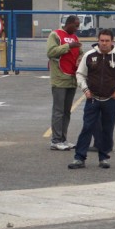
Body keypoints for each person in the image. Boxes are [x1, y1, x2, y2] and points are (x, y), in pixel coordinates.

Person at [67, 29, 115, 169]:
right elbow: (80, 74)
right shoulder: (89, 56)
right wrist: (85, 89)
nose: (104, 43)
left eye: (107, 41)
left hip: (110, 100)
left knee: (107, 130)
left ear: (112, 41)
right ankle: (79, 158)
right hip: (92, 100)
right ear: (98, 40)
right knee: (87, 128)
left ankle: (104, 158)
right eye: (101, 40)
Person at [47, 15, 82, 150]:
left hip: (71, 79)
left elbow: (80, 52)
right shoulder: (55, 35)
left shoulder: (75, 37)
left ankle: (63, 139)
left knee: (67, 111)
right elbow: (51, 52)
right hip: (60, 79)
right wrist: (68, 46)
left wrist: (81, 57)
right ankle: (55, 141)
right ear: (69, 24)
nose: (77, 28)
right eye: (76, 25)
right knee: (58, 111)